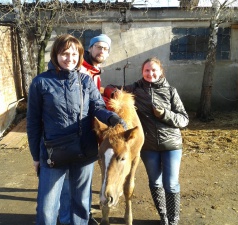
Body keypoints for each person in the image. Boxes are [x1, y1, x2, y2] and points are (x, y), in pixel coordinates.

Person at [27, 34, 127, 225]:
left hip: (84, 151)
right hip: (53, 154)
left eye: (74, 54)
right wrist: (35, 156)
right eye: (65, 53)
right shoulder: (40, 83)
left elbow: (97, 107)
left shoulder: (85, 81)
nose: (69, 58)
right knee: (47, 209)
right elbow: (33, 123)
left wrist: (111, 117)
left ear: (80, 55)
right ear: (56, 54)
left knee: (80, 205)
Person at [104, 57, 189, 225]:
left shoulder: (171, 91)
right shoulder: (135, 89)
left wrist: (165, 114)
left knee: (170, 183)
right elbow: (110, 88)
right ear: (142, 72)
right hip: (148, 146)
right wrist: (113, 93)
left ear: (161, 71)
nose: (150, 73)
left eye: (154, 70)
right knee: (155, 182)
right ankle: (163, 217)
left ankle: (174, 220)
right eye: (147, 71)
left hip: (171, 144)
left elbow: (184, 119)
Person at [58, 34, 112, 225]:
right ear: (89, 49)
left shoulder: (94, 71)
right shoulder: (80, 69)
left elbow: (94, 100)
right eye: (98, 47)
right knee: (70, 177)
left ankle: (83, 213)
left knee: (84, 175)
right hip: (72, 132)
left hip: (90, 131)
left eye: (105, 49)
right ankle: (68, 216)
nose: (102, 51)